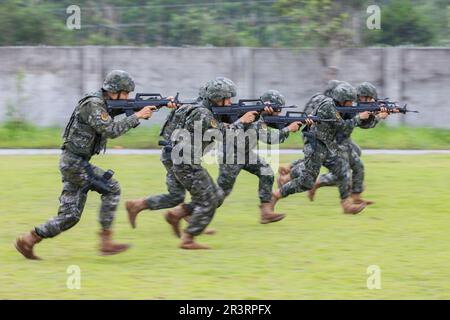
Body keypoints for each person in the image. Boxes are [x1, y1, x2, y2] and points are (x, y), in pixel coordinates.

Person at [15, 70, 155, 259]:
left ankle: (28, 240)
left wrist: (158, 105)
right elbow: (110, 130)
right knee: (112, 187)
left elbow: (117, 111)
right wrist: (137, 116)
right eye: (126, 93)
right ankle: (106, 242)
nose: (128, 98)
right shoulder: (93, 105)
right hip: (74, 163)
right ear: (115, 91)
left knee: (70, 216)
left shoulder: (103, 103)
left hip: (74, 162)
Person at [165, 77, 257, 249]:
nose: (230, 102)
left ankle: (177, 214)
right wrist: (242, 121)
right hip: (187, 164)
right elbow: (225, 134)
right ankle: (188, 239)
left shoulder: (196, 108)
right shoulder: (203, 113)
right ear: (216, 97)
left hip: (186, 162)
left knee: (217, 196)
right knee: (209, 201)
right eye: (227, 98)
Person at [272, 83, 372, 214]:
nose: (352, 103)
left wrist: (370, 115)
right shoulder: (328, 106)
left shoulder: (339, 107)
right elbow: (343, 127)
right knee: (307, 181)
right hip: (315, 144)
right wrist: (360, 118)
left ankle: (346, 205)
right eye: (350, 101)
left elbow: (348, 120)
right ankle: (276, 195)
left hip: (327, 145)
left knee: (342, 168)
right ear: (342, 100)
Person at [216, 90, 303, 223]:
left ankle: (266, 212)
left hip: (244, 153)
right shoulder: (254, 114)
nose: (279, 113)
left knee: (266, 171)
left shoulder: (261, 115)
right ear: (269, 106)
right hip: (231, 154)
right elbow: (269, 138)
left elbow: (274, 124)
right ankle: (190, 210)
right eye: (278, 109)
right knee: (221, 193)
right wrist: (288, 129)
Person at [308, 82, 391, 204]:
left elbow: (364, 124)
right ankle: (317, 182)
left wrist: (376, 115)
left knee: (358, 166)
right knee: (343, 171)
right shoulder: (348, 106)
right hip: (335, 143)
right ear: (362, 96)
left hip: (343, 142)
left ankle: (356, 196)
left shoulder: (353, 105)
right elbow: (348, 125)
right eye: (369, 98)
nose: (371, 100)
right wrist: (376, 117)